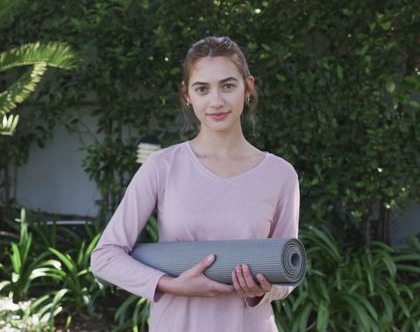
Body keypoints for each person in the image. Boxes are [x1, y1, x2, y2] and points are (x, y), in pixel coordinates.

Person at [90, 36, 300, 332]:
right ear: (187, 95)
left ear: (248, 87)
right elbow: (105, 256)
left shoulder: (280, 174)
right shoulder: (162, 167)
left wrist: (262, 290)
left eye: (228, 86)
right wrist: (171, 285)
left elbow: (287, 273)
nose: (216, 101)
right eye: (203, 88)